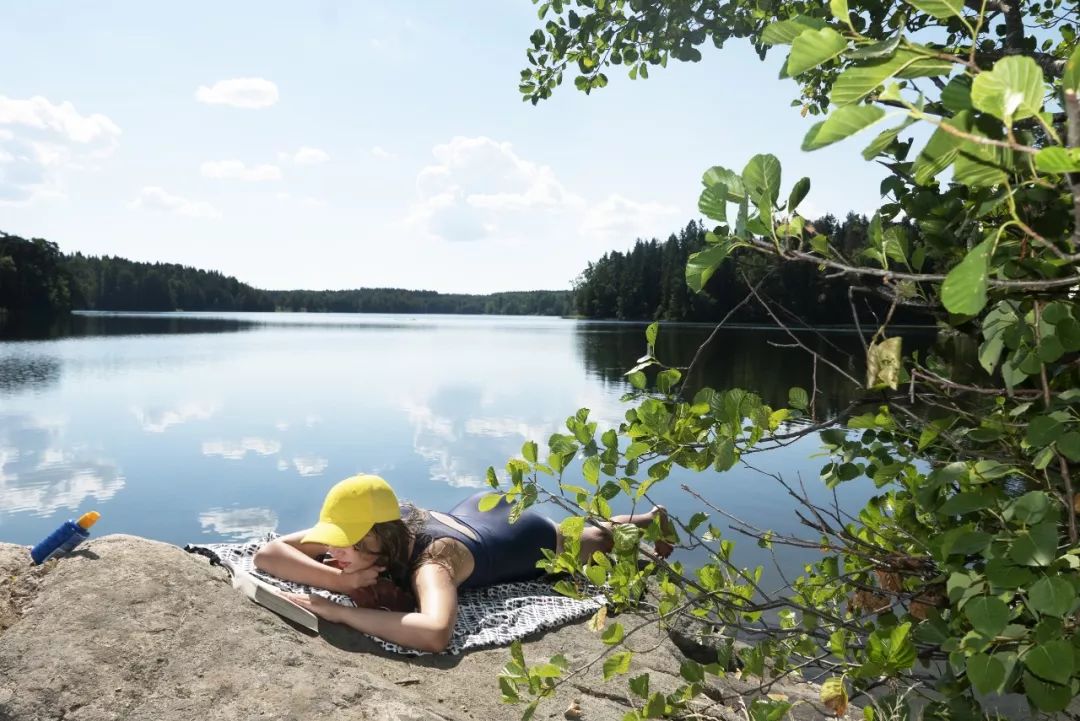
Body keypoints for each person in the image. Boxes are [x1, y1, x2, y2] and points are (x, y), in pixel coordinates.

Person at [253, 474, 674, 652]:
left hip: (519, 534)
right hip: (471, 511)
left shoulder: (434, 564)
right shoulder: (378, 526)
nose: (332, 550)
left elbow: (436, 632)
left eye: (342, 544)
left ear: (375, 537)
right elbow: (267, 554)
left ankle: (648, 520)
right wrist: (337, 580)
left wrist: (336, 611)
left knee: (592, 539)